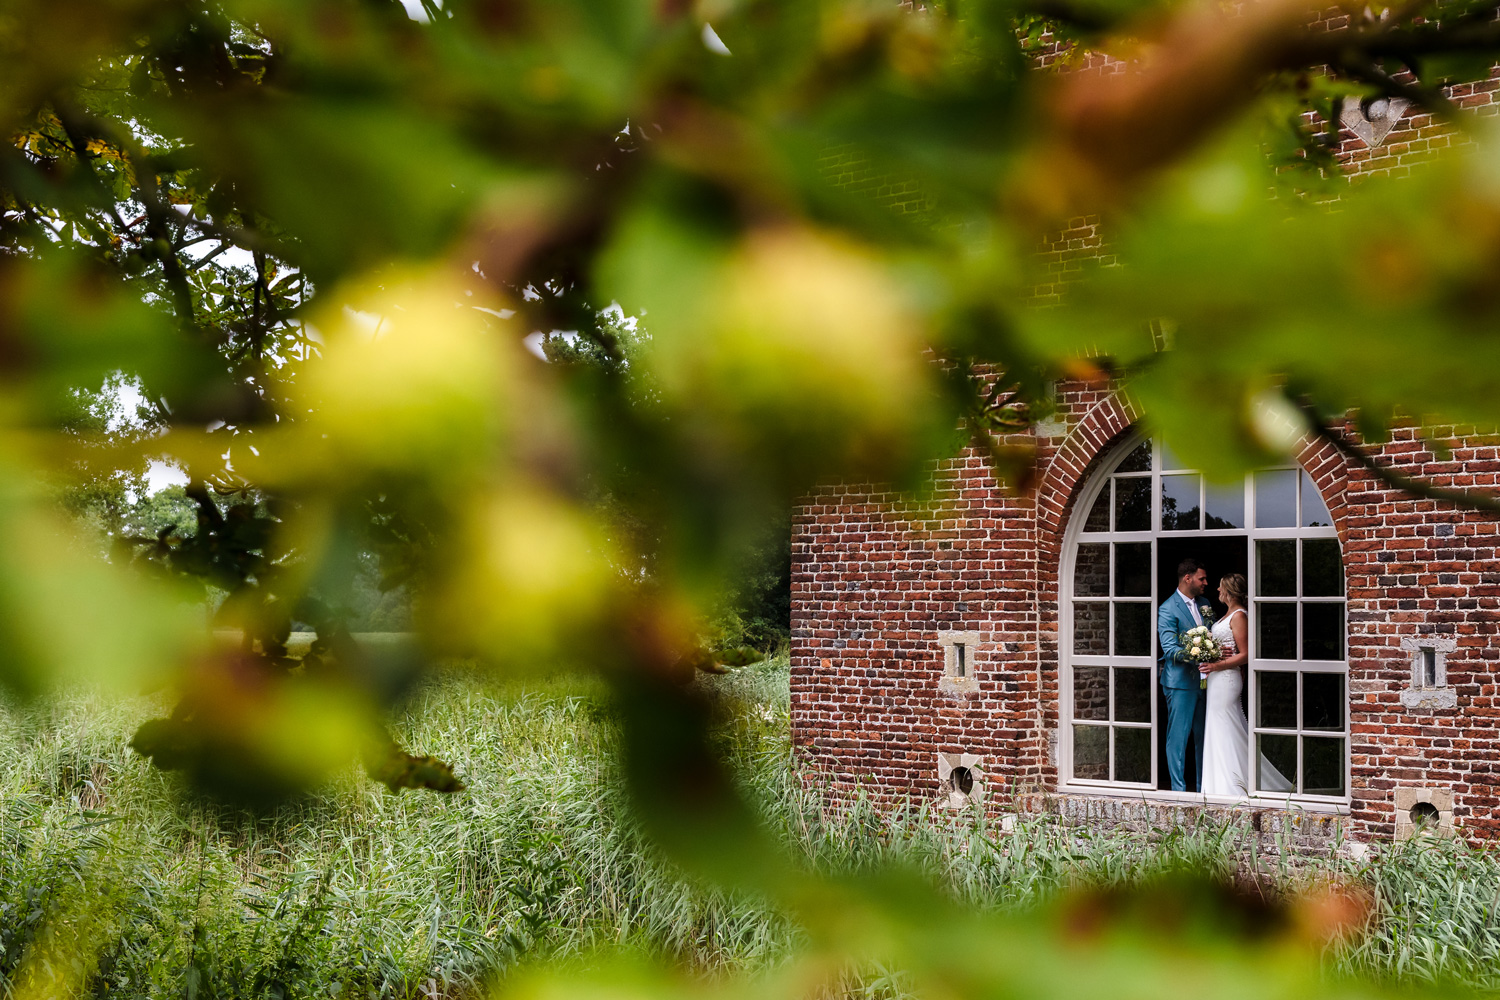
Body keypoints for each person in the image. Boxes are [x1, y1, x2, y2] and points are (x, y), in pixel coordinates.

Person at [1201, 573, 1293, 797]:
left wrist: (1216, 666)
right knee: (1219, 728)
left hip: (1227, 679)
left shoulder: (1240, 616)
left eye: (1221, 587)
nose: (1217, 591)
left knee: (1225, 727)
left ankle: (1231, 787)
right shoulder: (1227, 615)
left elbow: (1246, 655)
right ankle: (1218, 784)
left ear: (1230, 591)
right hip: (1216, 680)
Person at [1158, 559, 1213, 792]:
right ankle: (1178, 792)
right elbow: (1169, 649)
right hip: (1180, 683)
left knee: (1204, 737)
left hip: (1207, 682)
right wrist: (1198, 653)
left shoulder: (1205, 603)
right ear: (1187, 578)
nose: (1206, 583)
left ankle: (1203, 788)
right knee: (1178, 739)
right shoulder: (1167, 608)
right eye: (1202, 578)